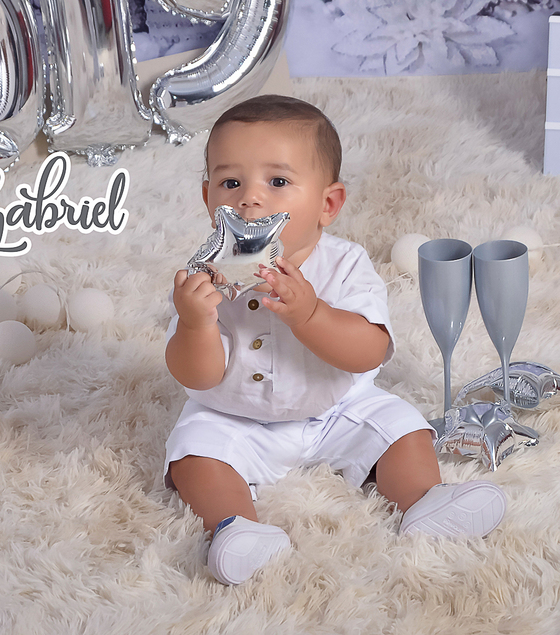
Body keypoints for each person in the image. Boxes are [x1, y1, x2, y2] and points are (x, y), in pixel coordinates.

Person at [164, 94, 506, 585]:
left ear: (328, 204)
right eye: (230, 181)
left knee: (402, 428)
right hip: (234, 414)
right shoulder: (206, 281)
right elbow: (195, 376)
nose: (250, 198)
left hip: (335, 408)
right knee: (193, 455)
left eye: (277, 182)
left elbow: (368, 351)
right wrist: (195, 324)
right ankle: (234, 529)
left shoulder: (345, 265)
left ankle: (424, 500)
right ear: (207, 198)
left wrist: (309, 313)